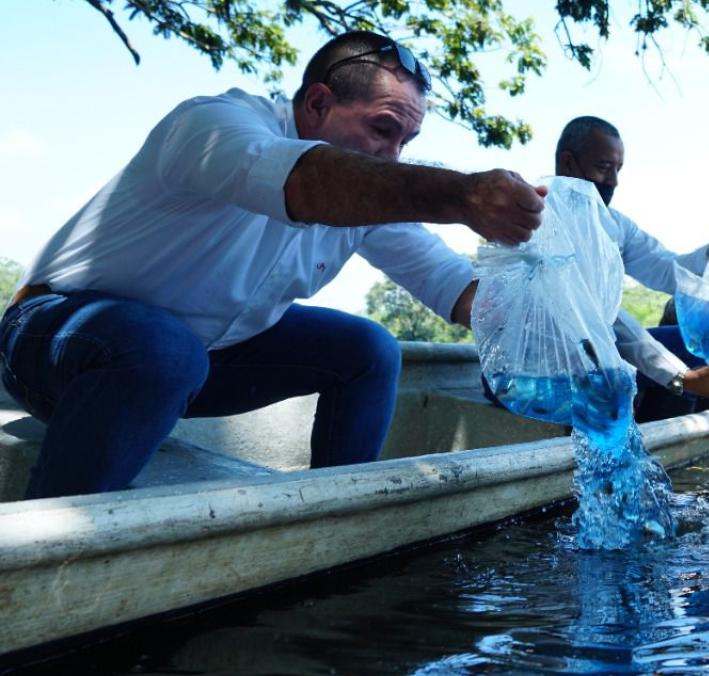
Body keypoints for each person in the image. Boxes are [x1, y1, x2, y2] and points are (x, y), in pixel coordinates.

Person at [1, 31, 546, 499]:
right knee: (163, 351)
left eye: (407, 141)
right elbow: (307, 182)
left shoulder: (373, 198)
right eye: (382, 130)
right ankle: (43, 561)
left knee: (368, 350)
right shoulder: (212, 125)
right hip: (54, 343)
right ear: (317, 103)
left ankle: (337, 526)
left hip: (194, 362)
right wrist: (461, 195)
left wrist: (556, 316)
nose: (393, 157)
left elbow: (456, 288)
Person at [551, 116, 709, 420]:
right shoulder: (533, 218)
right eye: (603, 168)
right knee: (624, 359)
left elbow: (667, 270)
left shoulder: (613, 225)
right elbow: (597, 319)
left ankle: (659, 426)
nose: (613, 181)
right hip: (550, 360)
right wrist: (677, 375)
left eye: (618, 169)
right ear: (568, 163)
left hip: (604, 343)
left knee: (691, 345)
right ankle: (646, 420)